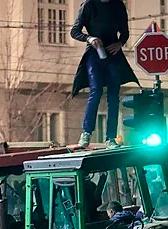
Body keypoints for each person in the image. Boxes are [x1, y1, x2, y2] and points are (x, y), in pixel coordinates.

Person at [71, 0, 139, 149]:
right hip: (94, 53)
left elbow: (125, 31)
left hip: (113, 54)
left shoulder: (118, 5)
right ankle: (86, 133)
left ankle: (111, 138)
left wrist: (120, 43)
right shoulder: (88, 5)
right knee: (96, 91)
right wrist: (89, 38)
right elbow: (74, 31)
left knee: (113, 95)